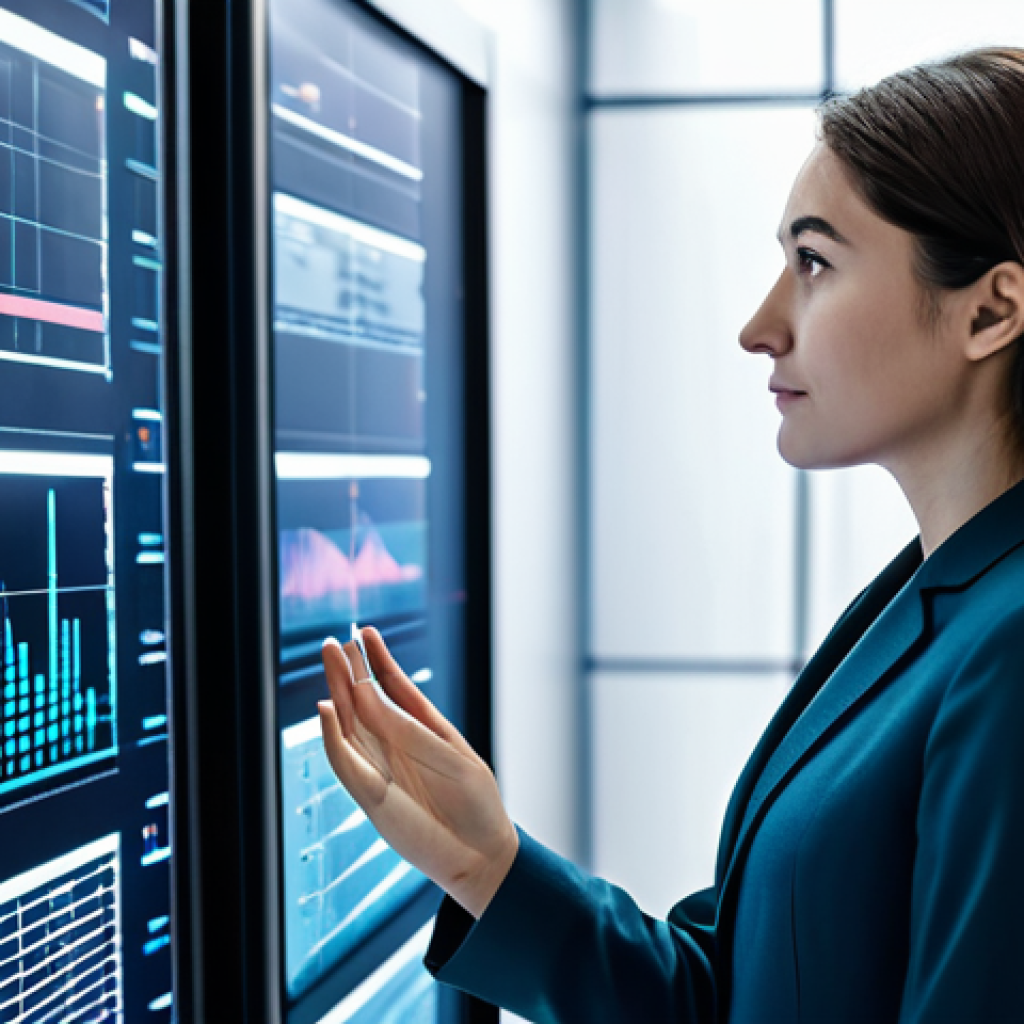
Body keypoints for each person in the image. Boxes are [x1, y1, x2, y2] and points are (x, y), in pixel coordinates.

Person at [317, 47, 1024, 1023]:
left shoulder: (1009, 644)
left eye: (813, 262)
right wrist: (490, 865)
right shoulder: (936, 594)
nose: (758, 326)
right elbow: (730, 992)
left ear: (989, 310)